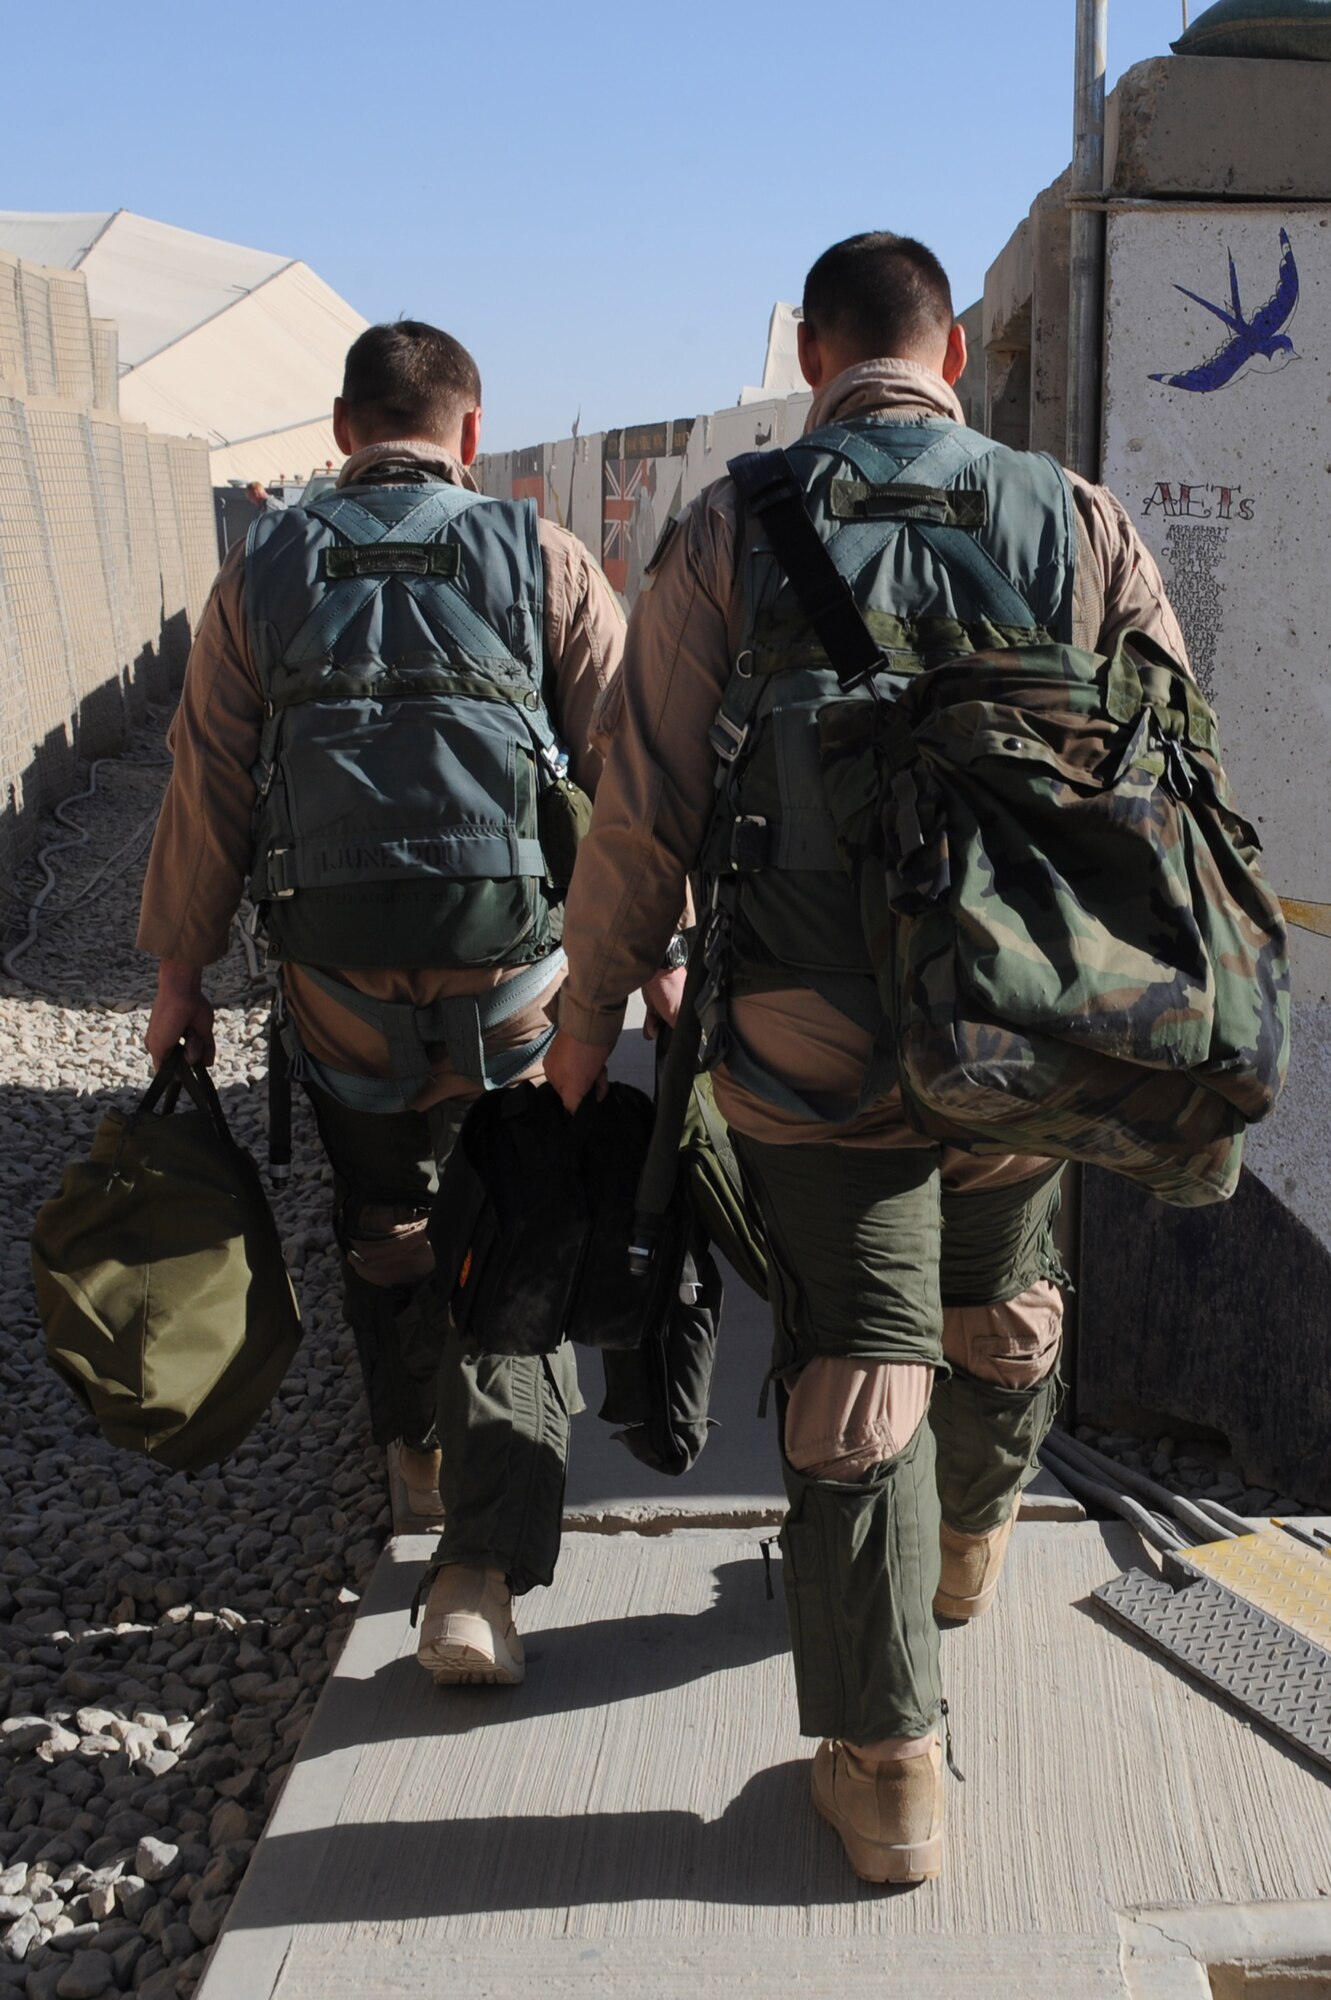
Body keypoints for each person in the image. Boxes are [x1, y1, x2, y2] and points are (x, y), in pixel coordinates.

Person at [545, 231, 1192, 1885]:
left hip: (806, 1026)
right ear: (952, 354)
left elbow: (643, 809)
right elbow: (1172, 771)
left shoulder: (729, 527)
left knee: (857, 1361)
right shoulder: (1078, 519)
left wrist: (589, 1019)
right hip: (1018, 1013)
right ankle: (968, 1541)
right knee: (1005, 1300)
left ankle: (887, 1766)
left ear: (813, 358)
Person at [138, 319, 637, 1681]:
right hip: (515, 980)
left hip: (339, 985)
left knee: (391, 1219)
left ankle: (414, 1451)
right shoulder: (543, 557)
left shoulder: (261, 569)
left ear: (343, 431)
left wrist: (180, 979)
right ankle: (475, 1577)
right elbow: (632, 773)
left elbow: (207, 782)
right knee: (516, 1230)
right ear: (471, 432)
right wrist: (660, 962)